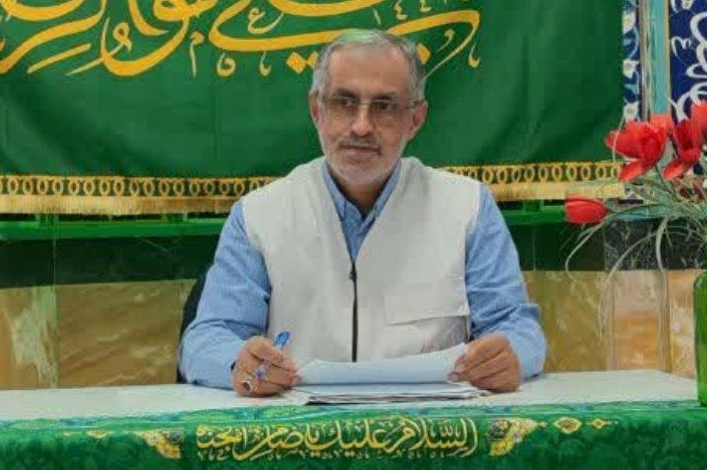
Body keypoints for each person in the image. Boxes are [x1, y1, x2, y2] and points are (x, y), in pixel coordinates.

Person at [179, 29, 546, 397]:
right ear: (316, 110)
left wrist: (508, 357)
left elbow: (518, 329)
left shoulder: (467, 207)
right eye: (344, 102)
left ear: (415, 119)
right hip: (296, 424)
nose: (361, 126)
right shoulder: (260, 215)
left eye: (384, 106)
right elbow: (206, 340)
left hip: (434, 424)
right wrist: (238, 364)